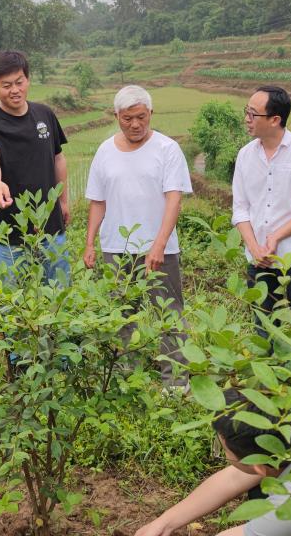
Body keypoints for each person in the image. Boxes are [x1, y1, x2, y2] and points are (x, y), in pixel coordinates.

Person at [133, 395, 291, 536]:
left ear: (259, 466)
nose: (225, 455)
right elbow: (234, 478)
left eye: (224, 450)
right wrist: (164, 524)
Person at [84, 85, 193, 382]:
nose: (135, 124)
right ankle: (124, 376)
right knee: (121, 314)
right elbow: (98, 201)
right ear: (116, 115)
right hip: (116, 250)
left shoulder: (167, 149)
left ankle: (175, 380)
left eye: (141, 117)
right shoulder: (105, 150)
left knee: (168, 312)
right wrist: (90, 243)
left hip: (160, 251)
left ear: (151, 114)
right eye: (128, 118)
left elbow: (174, 199)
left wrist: (157, 245)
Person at [231, 86, 291, 346]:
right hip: (259, 261)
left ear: (275, 120)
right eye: (247, 112)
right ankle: (268, 382)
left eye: (253, 114)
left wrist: (275, 236)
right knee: (264, 328)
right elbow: (240, 208)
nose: (247, 119)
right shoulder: (245, 156)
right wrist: (254, 247)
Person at [0, 50, 71, 283]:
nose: (15, 90)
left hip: (51, 226)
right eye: (6, 85)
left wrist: (64, 201)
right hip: (8, 233)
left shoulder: (45, 114)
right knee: (10, 300)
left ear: (27, 79)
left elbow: (58, 158)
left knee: (59, 293)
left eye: (19, 82)